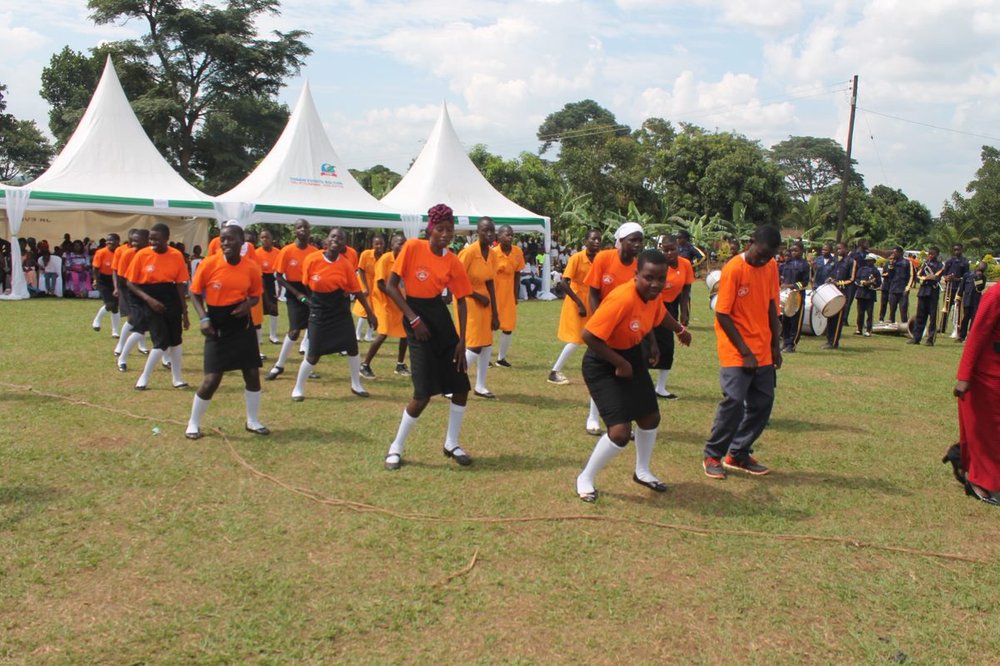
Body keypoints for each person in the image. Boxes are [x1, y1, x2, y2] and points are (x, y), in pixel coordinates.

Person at [575, 249, 688, 502]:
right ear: (636, 275)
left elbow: (659, 315)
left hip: (630, 356)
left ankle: (643, 471)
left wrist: (679, 329)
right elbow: (589, 336)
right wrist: (619, 363)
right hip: (602, 362)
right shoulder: (622, 298)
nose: (656, 284)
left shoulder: (653, 295)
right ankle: (585, 477)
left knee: (650, 418)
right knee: (620, 433)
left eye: (661, 278)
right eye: (649, 278)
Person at [382, 203, 475, 471]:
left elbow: (462, 300)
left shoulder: (453, 260)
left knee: (460, 387)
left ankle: (451, 443)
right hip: (416, 318)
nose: (446, 234)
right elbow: (391, 286)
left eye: (450, 230)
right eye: (441, 229)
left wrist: (462, 341)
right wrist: (414, 319)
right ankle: (396, 447)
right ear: (430, 229)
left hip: (440, 318)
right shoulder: (412, 248)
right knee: (422, 394)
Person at [703, 225, 782, 480]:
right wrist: (745, 352)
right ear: (750, 243)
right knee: (734, 401)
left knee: (762, 404)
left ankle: (738, 453)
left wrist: (774, 345)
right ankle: (713, 454)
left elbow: (772, 305)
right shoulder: (734, 269)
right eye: (760, 254)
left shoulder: (770, 266)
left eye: (769, 256)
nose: (763, 260)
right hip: (736, 348)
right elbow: (723, 314)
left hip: (762, 348)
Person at [184, 223, 268, 439]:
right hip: (216, 324)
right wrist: (204, 318)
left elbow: (256, 294)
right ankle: (193, 423)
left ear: (242, 243)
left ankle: (253, 421)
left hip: (242, 325)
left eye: (230, 239)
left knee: (251, 374)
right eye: (222, 239)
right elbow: (194, 292)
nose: (225, 243)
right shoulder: (209, 264)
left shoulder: (250, 267)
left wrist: (247, 305)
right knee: (212, 379)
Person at [288, 228, 377, 401]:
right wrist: (314, 300)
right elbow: (306, 284)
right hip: (319, 310)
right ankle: (298, 388)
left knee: (352, 348)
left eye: (341, 238)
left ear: (344, 244)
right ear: (327, 240)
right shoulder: (312, 259)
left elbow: (356, 290)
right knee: (313, 354)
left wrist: (370, 312)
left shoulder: (345, 264)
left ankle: (356, 384)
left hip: (339, 310)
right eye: (333, 236)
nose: (336, 240)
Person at [582, 221, 644, 435]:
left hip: (629, 328)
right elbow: (593, 292)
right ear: (621, 241)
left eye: (640, 240)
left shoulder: (639, 266)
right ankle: (593, 417)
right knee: (602, 373)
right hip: (603, 327)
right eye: (632, 240)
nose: (637, 244)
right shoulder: (604, 258)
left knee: (627, 376)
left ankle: (626, 418)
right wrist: (600, 321)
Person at [125, 223, 190, 390]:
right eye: (151, 239)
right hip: (150, 299)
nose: (152, 242)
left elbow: (180, 285)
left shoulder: (176, 255)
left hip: (171, 297)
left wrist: (184, 312)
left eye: (156, 239)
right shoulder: (141, 255)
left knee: (176, 341)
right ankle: (144, 378)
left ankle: (177, 378)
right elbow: (130, 282)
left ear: (167, 239)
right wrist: (149, 300)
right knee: (160, 341)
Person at [953, 283, 1000, 505]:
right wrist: (964, 377)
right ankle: (978, 482)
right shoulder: (996, 293)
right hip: (987, 375)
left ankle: (961, 457)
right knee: (987, 431)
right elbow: (977, 334)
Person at [265, 219, 320, 381]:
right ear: (294, 231)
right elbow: (279, 276)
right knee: (295, 331)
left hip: (310, 292)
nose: (303, 230)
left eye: (306, 227)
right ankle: (279, 365)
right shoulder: (287, 251)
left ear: (310, 231)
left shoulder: (315, 252)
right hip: (294, 293)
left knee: (312, 330)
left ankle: (307, 367)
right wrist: (297, 294)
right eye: (299, 227)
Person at [548, 229, 602, 385]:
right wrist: (579, 303)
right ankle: (554, 371)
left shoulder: (600, 258)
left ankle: (598, 369)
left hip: (592, 299)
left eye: (599, 239)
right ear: (586, 241)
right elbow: (564, 282)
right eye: (593, 239)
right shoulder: (577, 258)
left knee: (595, 335)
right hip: (577, 299)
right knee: (577, 338)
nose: (597, 242)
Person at [457, 218, 500, 399]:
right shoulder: (468, 253)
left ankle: (480, 385)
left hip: (485, 302)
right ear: (477, 232)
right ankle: (452, 383)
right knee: (474, 345)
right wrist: (477, 296)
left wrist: (495, 312)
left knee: (487, 344)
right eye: (485, 230)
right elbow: (458, 280)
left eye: (491, 230)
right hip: (467, 299)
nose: (489, 234)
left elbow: (490, 281)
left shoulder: (492, 254)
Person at [360, 233, 410, 379]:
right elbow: (380, 284)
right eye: (399, 244)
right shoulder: (385, 259)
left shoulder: (404, 259)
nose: (402, 247)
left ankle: (400, 364)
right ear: (392, 245)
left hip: (398, 301)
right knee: (383, 332)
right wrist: (396, 296)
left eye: (404, 244)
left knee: (405, 332)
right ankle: (365, 365)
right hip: (384, 301)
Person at [649, 235, 694, 399]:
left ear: (678, 248)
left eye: (672, 249)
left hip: (672, 306)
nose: (668, 253)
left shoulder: (685, 264)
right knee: (650, 344)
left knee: (667, 347)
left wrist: (684, 313)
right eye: (665, 250)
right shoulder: (659, 266)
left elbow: (686, 290)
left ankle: (660, 388)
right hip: (654, 305)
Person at [114, 229, 152, 366]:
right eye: (133, 241)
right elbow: (122, 277)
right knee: (133, 318)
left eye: (138, 241)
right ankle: (120, 345)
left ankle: (142, 346)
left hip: (147, 291)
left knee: (141, 322)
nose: (134, 244)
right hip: (128, 289)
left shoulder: (151, 254)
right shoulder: (127, 254)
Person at [491, 223, 526, 367]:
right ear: (499, 236)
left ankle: (501, 358)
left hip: (509, 294)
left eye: (511, 235)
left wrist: (515, 293)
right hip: (495, 292)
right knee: (491, 325)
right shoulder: (492, 253)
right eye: (507, 234)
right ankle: (486, 359)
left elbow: (518, 273)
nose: (510, 237)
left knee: (508, 326)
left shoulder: (517, 252)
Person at [822, 242, 856, 350]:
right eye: (836, 249)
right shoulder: (837, 262)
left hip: (843, 293)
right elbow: (833, 274)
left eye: (840, 249)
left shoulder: (851, 261)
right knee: (831, 316)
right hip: (833, 293)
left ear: (846, 248)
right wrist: (830, 279)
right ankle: (829, 339)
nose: (838, 251)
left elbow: (852, 279)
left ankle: (834, 342)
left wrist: (838, 283)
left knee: (838, 319)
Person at [908, 247, 944, 346]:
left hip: (933, 293)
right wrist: (926, 277)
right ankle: (916, 338)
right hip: (923, 292)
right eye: (929, 254)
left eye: (932, 254)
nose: (930, 256)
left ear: (936, 255)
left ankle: (930, 339)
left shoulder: (940, 265)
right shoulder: (925, 264)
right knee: (920, 316)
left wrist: (930, 277)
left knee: (932, 318)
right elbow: (919, 274)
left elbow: (936, 276)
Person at [353, 235, 385, 342]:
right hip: (364, 282)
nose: (379, 246)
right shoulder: (366, 254)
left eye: (381, 244)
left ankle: (369, 334)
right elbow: (361, 270)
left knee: (375, 310)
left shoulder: (383, 257)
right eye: (377, 244)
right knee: (364, 310)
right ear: (373, 245)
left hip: (376, 285)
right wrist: (365, 287)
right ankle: (357, 334)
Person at [778, 241, 809, 353]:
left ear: (801, 251)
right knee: (785, 320)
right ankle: (785, 342)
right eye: (792, 251)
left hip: (797, 296)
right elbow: (782, 277)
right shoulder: (787, 264)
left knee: (795, 321)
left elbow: (805, 282)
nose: (794, 253)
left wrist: (792, 286)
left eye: (796, 250)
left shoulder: (804, 265)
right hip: (786, 296)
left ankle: (792, 344)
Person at [91, 233, 121, 336]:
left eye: (111, 240)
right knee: (110, 304)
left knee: (115, 306)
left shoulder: (120, 252)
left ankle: (115, 331)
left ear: (118, 241)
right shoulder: (101, 252)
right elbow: (95, 268)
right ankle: (97, 320)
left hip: (116, 280)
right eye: (107, 240)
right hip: (103, 280)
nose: (109, 242)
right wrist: (95, 280)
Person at [254, 229, 281, 344]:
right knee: (259, 310)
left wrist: (279, 286)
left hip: (273, 281)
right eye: (262, 237)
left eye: (267, 237)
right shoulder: (256, 253)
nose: (265, 239)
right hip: (260, 280)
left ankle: (273, 335)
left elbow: (280, 271)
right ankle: (258, 338)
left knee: (273, 309)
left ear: (272, 239)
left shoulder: (278, 252)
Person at [940, 243, 970, 335]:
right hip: (949, 287)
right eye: (955, 250)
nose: (956, 251)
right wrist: (947, 278)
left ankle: (957, 328)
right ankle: (942, 327)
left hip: (959, 288)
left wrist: (956, 279)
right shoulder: (949, 261)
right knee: (946, 308)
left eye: (958, 249)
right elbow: (944, 273)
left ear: (961, 250)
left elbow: (966, 277)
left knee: (958, 309)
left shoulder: (965, 262)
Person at [958, 261, 988, 342]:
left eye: (982, 269)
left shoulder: (983, 277)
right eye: (980, 268)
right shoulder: (967, 275)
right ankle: (961, 336)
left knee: (974, 319)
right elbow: (962, 287)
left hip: (976, 300)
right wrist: (959, 296)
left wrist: (978, 278)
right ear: (977, 266)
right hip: (967, 299)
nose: (980, 270)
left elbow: (980, 288)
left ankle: (971, 336)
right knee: (965, 318)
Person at [853, 254, 881, 336]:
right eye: (867, 260)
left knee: (869, 313)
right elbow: (856, 279)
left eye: (870, 260)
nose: (869, 261)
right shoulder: (861, 269)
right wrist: (863, 283)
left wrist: (872, 283)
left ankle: (869, 330)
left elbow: (879, 283)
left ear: (874, 261)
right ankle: (859, 329)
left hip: (870, 294)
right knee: (860, 313)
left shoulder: (876, 271)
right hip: (861, 293)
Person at [886, 246, 913, 323]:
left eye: (895, 252)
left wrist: (908, 287)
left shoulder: (907, 262)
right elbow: (890, 275)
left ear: (900, 253)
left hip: (903, 289)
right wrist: (891, 264)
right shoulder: (892, 262)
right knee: (892, 309)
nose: (893, 254)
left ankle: (905, 326)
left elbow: (911, 276)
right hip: (893, 288)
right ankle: (891, 325)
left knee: (903, 309)